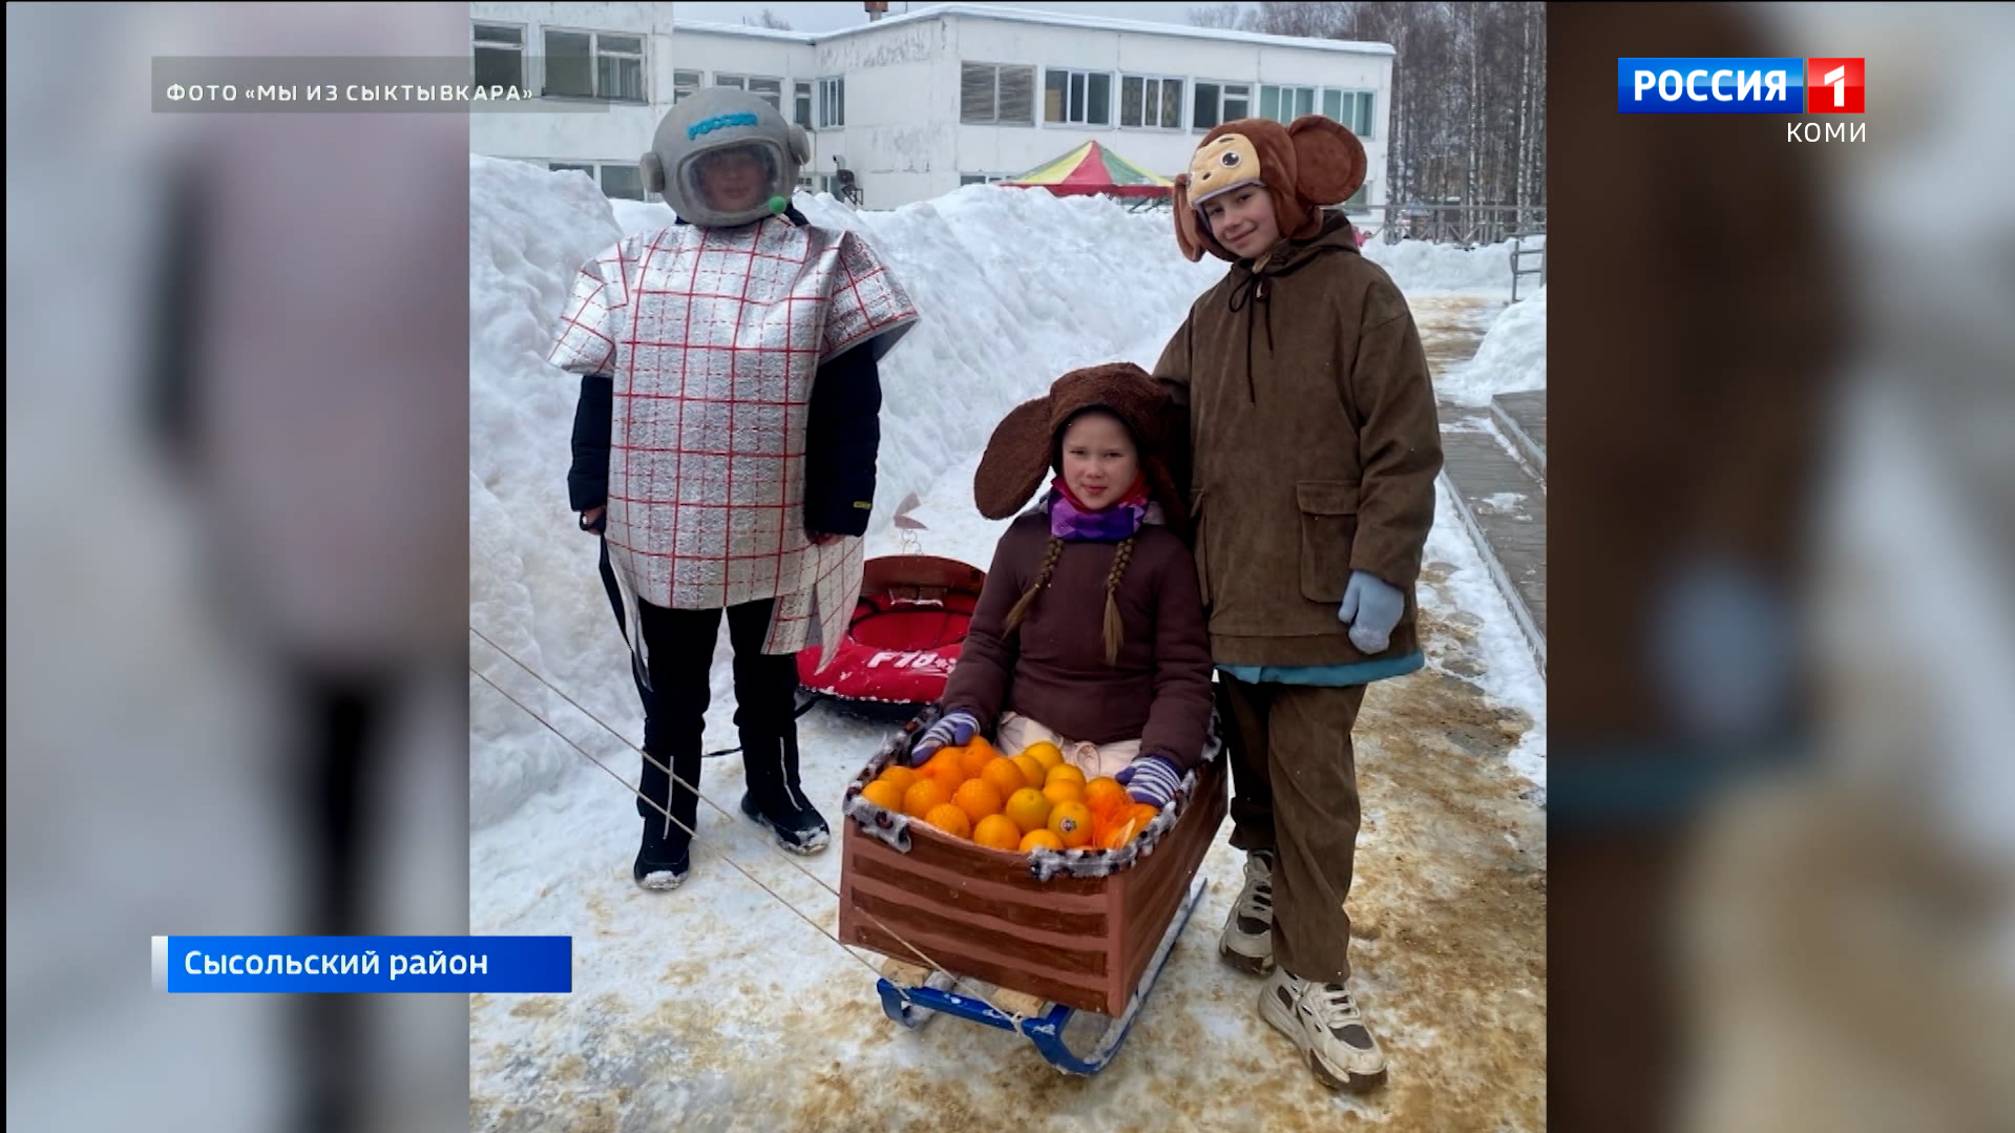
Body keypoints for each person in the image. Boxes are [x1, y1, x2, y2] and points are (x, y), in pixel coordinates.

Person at [547, 88, 919, 890]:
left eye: (748, 166)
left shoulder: (827, 261)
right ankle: (666, 818)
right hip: (660, 519)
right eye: (712, 170)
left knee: (768, 674)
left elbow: (851, 397)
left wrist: (843, 500)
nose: (732, 182)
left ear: (778, 165)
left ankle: (773, 790)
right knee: (673, 690)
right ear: (676, 179)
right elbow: (602, 390)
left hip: (777, 519)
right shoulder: (631, 273)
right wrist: (591, 479)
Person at [1154, 115, 1443, 1092]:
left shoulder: (1359, 294)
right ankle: (1264, 878)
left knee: (1316, 787)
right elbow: (1157, 421)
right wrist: (1086, 448)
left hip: (1329, 597)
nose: (1230, 220)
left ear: (1282, 190)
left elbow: (1401, 441)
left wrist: (1382, 563)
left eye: (1240, 197)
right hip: (1229, 591)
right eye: (1212, 208)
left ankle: (1310, 973)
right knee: (1254, 765)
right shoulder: (1211, 315)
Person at [908, 363, 1213, 814]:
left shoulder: (1164, 557)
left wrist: (1164, 757)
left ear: (1140, 459)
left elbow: (1183, 673)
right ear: (1058, 454)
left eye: (1112, 455)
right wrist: (965, 708)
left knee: (1103, 860)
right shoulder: (1023, 540)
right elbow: (989, 643)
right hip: (1025, 742)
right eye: (1080, 452)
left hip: (1124, 755)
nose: (1093, 469)